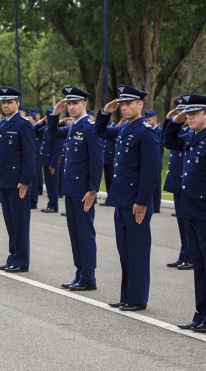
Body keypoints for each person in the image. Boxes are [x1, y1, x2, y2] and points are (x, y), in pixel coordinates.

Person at [165, 94, 206, 333]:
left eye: (194, 113)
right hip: (191, 212)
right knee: (200, 265)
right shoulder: (191, 136)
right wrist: (176, 120)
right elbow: (168, 140)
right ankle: (201, 313)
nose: (190, 117)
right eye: (188, 113)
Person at [94, 85, 159, 311]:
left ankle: (137, 298)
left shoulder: (145, 132)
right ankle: (127, 296)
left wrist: (142, 202)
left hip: (135, 202)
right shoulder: (124, 129)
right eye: (122, 104)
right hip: (122, 200)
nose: (124, 107)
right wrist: (106, 111)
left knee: (137, 252)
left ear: (140, 105)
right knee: (125, 252)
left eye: (128, 103)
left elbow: (151, 172)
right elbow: (99, 131)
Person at [49, 87, 103, 290]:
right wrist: (55, 114)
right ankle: (80, 273)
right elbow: (52, 133)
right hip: (71, 188)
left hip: (83, 191)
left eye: (75, 103)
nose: (71, 107)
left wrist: (92, 189)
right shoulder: (73, 127)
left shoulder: (91, 127)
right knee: (75, 234)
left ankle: (88, 276)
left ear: (84, 104)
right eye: (69, 103)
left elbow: (97, 161)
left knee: (85, 233)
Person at [0, 86, 37, 273]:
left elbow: (30, 155)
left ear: (17, 104)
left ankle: (21, 260)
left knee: (20, 222)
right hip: (3, 179)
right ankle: (13, 257)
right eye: (3, 102)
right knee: (10, 222)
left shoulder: (23, 124)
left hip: (17, 181)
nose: (5, 105)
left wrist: (25, 181)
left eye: (9, 102)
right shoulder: (3, 124)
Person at [163, 97, 193, 270]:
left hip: (186, 182)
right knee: (181, 223)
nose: (181, 114)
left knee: (188, 223)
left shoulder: (190, 132)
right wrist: (169, 120)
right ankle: (184, 254)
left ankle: (190, 256)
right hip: (176, 181)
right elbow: (165, 140)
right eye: (178, 111)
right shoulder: (180, 130)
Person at [145, 110, 164, 213]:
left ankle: (156, 206)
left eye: (149, 120)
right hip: (149, 162)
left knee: (156, 185)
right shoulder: (147, 131)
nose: (148, 122)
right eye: (146, 120)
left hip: (156, 162)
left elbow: (160, 149)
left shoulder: (159, 132)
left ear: (155, 120)